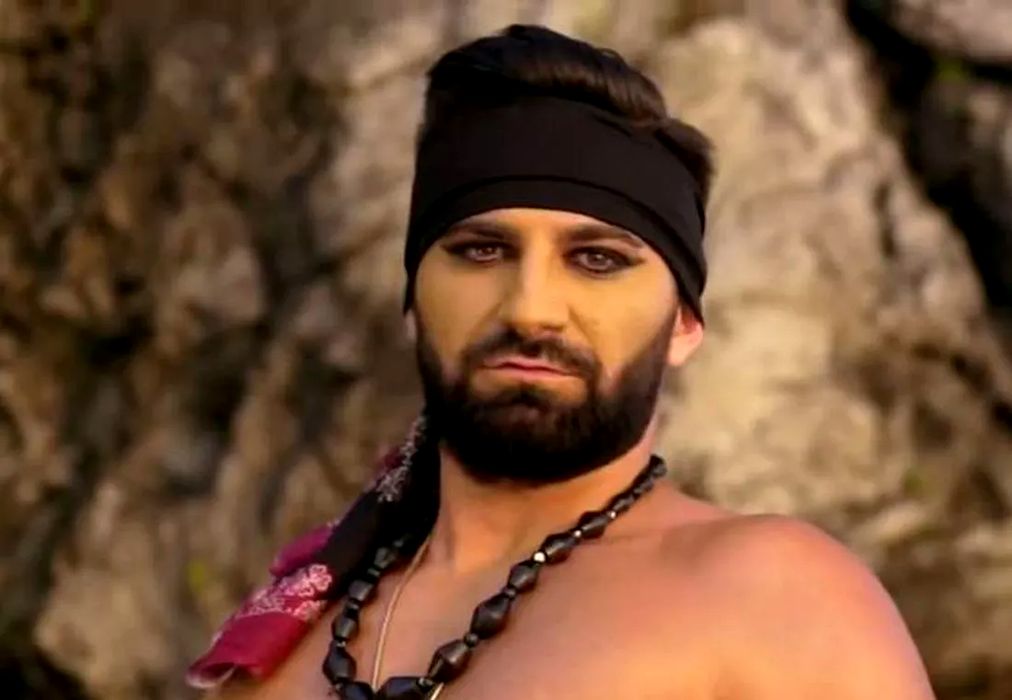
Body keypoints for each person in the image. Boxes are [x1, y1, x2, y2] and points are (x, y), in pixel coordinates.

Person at [188, 24, 936, 700]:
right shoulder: (286, 647)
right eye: (482, 251)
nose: (531, 309)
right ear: (413, 300)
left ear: (682, 324)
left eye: (597, 260)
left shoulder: (770, 599)